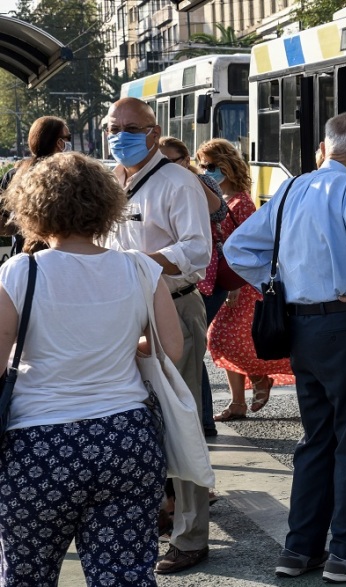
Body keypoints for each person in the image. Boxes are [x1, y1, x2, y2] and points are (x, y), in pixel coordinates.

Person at [224, 112, 346, 582]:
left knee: (316, 438)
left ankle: (300, 549)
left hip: (299, 327)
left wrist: (275, 282)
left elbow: (238, 248)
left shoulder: (291, 188)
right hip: (343, 324)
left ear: (324, 147)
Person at [0, 152, 183, 584]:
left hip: (38, 444)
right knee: (125, 575)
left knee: (27, 574)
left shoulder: (19, 272)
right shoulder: (139, 267)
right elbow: (169, 349)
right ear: (106, 206)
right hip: (127, 438)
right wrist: (119, 347)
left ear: (33, 209)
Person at [103, 97, 213, 574]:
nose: (118, 135)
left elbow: (197, 249)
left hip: (172, 306)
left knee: (180, 420)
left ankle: (192, 535)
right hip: (121, 311)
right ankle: (157, 513)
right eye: (113, 126)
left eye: (129, 128)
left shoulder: (177, 181)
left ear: (152, 133)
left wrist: (139, 263)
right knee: (134, 421)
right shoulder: (109, 182)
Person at [193, 138, 295, 422]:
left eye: (210, 166)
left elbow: (250, 247)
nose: (204, 171)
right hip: (221, 282)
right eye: (201, 165)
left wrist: (237, 285)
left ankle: (260, 375)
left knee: (226, 338)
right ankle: (239, 400)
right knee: (222, 339)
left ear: (226, 166)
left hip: (241, 285)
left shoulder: (242, 202)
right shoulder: (220, 200)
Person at [159, 135, 226, 438]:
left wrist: (188, 177)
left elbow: (219, 211)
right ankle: (203, 419)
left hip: (201, 277)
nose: (164, 167)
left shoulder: (199, 183)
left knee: (192, 352)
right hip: (169, 284)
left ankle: (202, 421)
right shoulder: (152, 183)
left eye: (170, 161)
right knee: (188, 356)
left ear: (184, 160)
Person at [0, 116, 72, 255]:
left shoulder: (14, 175)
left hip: (26, 259)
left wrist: (26, 224)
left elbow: (2, 226)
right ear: (59, 143)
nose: (69, 142)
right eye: (68, 137)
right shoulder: (71, 176)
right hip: (64, 257)